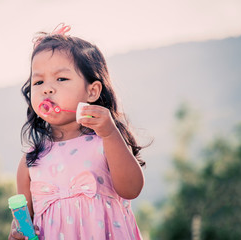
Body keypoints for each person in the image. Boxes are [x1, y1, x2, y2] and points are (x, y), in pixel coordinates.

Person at [9, 23, 146, 240]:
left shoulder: (106, 141)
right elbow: (23, 225)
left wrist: (111, 133)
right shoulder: (30, 161)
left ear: (92, 91)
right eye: (38, 81)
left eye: (61, 79)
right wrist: (18, 233)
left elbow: (131, 189)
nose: (47, 88)